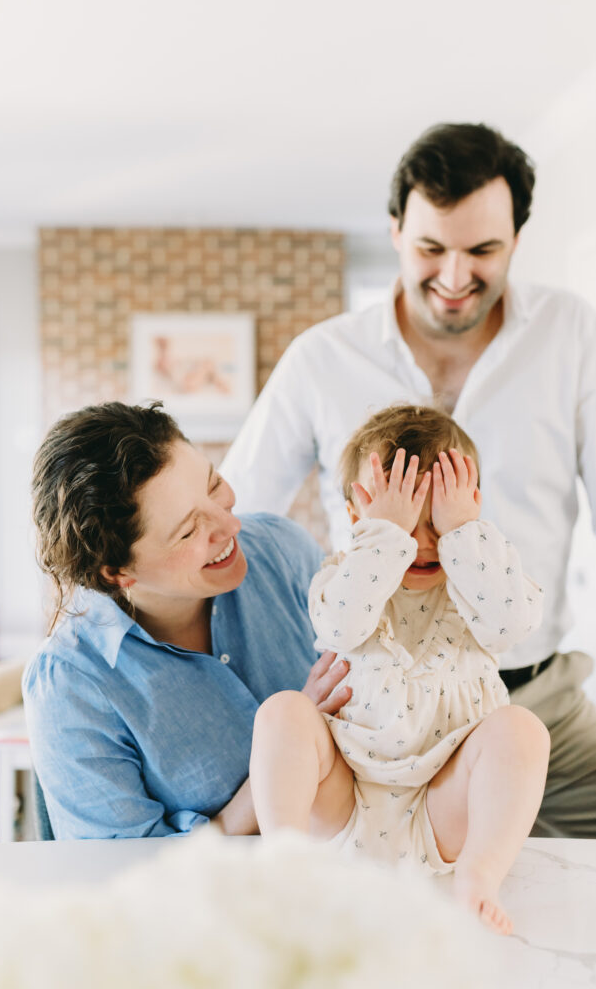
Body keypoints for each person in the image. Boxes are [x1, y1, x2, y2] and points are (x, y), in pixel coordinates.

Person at [222, 122, 596, 837]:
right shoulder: (320, 359)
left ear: (516, 236)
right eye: (431, 248)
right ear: (395, 231)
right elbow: (239, 527)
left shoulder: (572, 337)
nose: (454, 278)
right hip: (370, 725)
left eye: (481, 250)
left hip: (530, 704)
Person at [249, 405, 550, 935]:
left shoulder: (481, 582)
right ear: (356, 518)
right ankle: (284, 865)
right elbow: (340, 629)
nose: (424, 540)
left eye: (441, 520)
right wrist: (384, 538)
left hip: (446, 804)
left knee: (522, 730)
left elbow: (513, 626)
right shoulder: (342, 578)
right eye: (405, 521)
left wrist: (467, 537)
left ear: (472, 509)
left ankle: (479, 875)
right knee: (283, 711)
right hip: (344, 798)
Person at [22, 401, 349, 840]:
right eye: (190, 531)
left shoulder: (281, 549)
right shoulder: (71, 683)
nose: (230, 524)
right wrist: (290, 743)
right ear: (118, 573)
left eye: (213, 485)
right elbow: (124, 876)